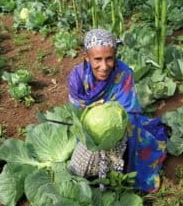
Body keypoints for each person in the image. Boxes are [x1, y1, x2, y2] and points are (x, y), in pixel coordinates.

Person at [68, 29, 167, 193]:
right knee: (79, 170)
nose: (104, 66)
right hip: (89, 134)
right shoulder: (77, 78)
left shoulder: (123, 73)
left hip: (121, 130)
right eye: (97, 59)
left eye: (109, 59)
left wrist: (112, 129)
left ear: (115, 56)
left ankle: (119, 175)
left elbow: (130, 111)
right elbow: (77, 114)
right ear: (87, 57)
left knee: (128, 154)